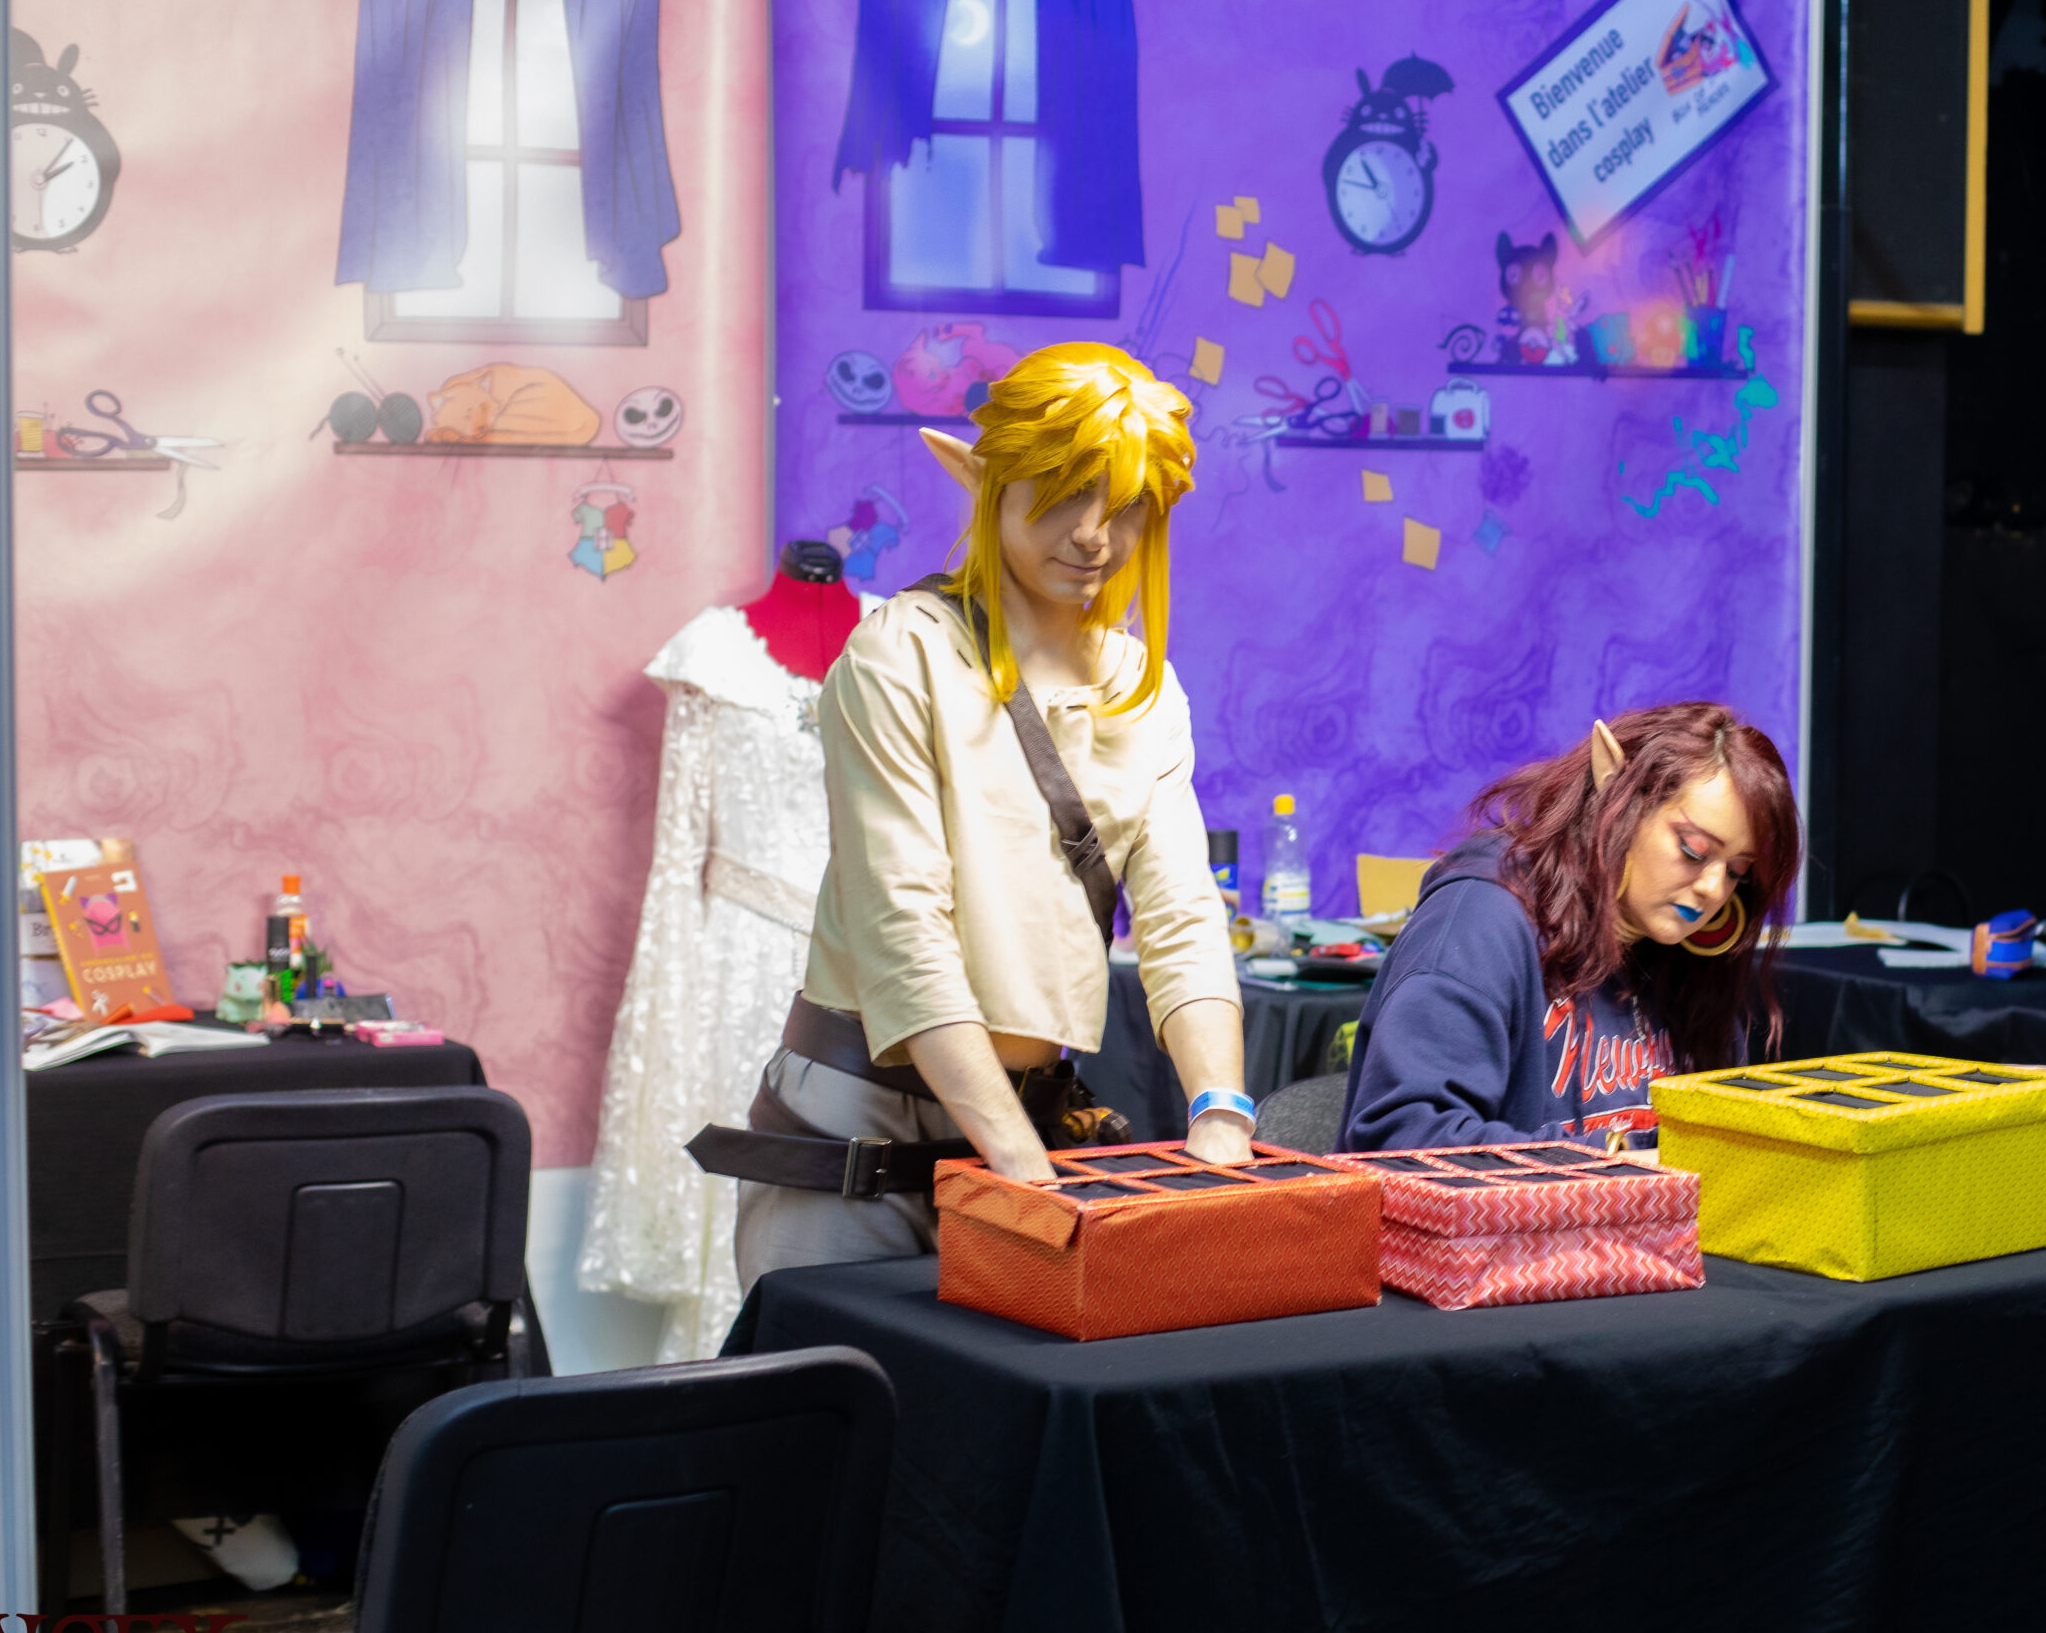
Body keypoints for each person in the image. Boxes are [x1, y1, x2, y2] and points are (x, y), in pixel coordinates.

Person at [731, 343, 1252, 1287]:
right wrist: (1017, 1164)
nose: (1093, 534)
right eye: (1061, 493)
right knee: (838, 1377)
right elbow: (902, 926)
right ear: (992, 486)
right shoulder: (901, 656)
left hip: (1032, 1119)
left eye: (1124, 502)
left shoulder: (1142, 686)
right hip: (865, 1120)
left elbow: (1182, 914)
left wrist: (1221, 1113)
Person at [1338, 702, 1800, 1152]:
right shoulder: (1482, 919)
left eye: (1737, 870)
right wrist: (1622, 1162)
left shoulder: (1686, 956)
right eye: (1693, 850)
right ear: (1616, 793)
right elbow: (1403, 1137)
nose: (1714, 889)